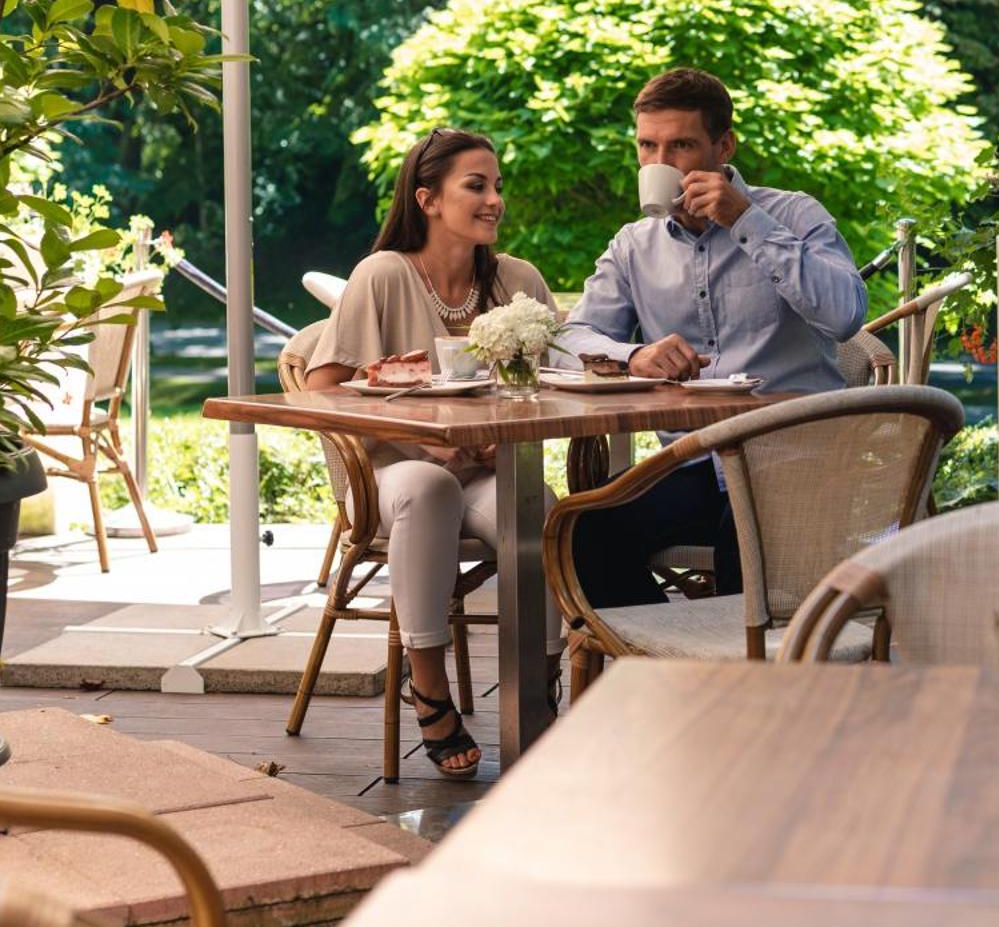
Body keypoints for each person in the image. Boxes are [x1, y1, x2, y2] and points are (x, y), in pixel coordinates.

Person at [558, 68, 867, 606]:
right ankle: (672, 671)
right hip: (695, 460)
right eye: (646, 146)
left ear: (723, 146)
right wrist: (635, 355)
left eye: (679, 146)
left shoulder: (793, 215)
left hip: (798, 458)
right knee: (585, 530)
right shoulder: (634, 245)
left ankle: (741, 680)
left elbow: (844, 315)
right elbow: (570, 339)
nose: (659, 164)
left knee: (746, 538)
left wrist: (745, 220)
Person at [304, 128, 558, 778]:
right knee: (427, 484)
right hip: (394, 469)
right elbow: (322, 388)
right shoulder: (384, 275)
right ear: (427, 198)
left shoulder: (516, 280)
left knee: (538, 505)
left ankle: (542, 689)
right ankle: (430, 688)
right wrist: (422, 433)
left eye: (497, 184)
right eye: (476, 184)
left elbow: (560, 382)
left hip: (488, 465)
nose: (494, 198)